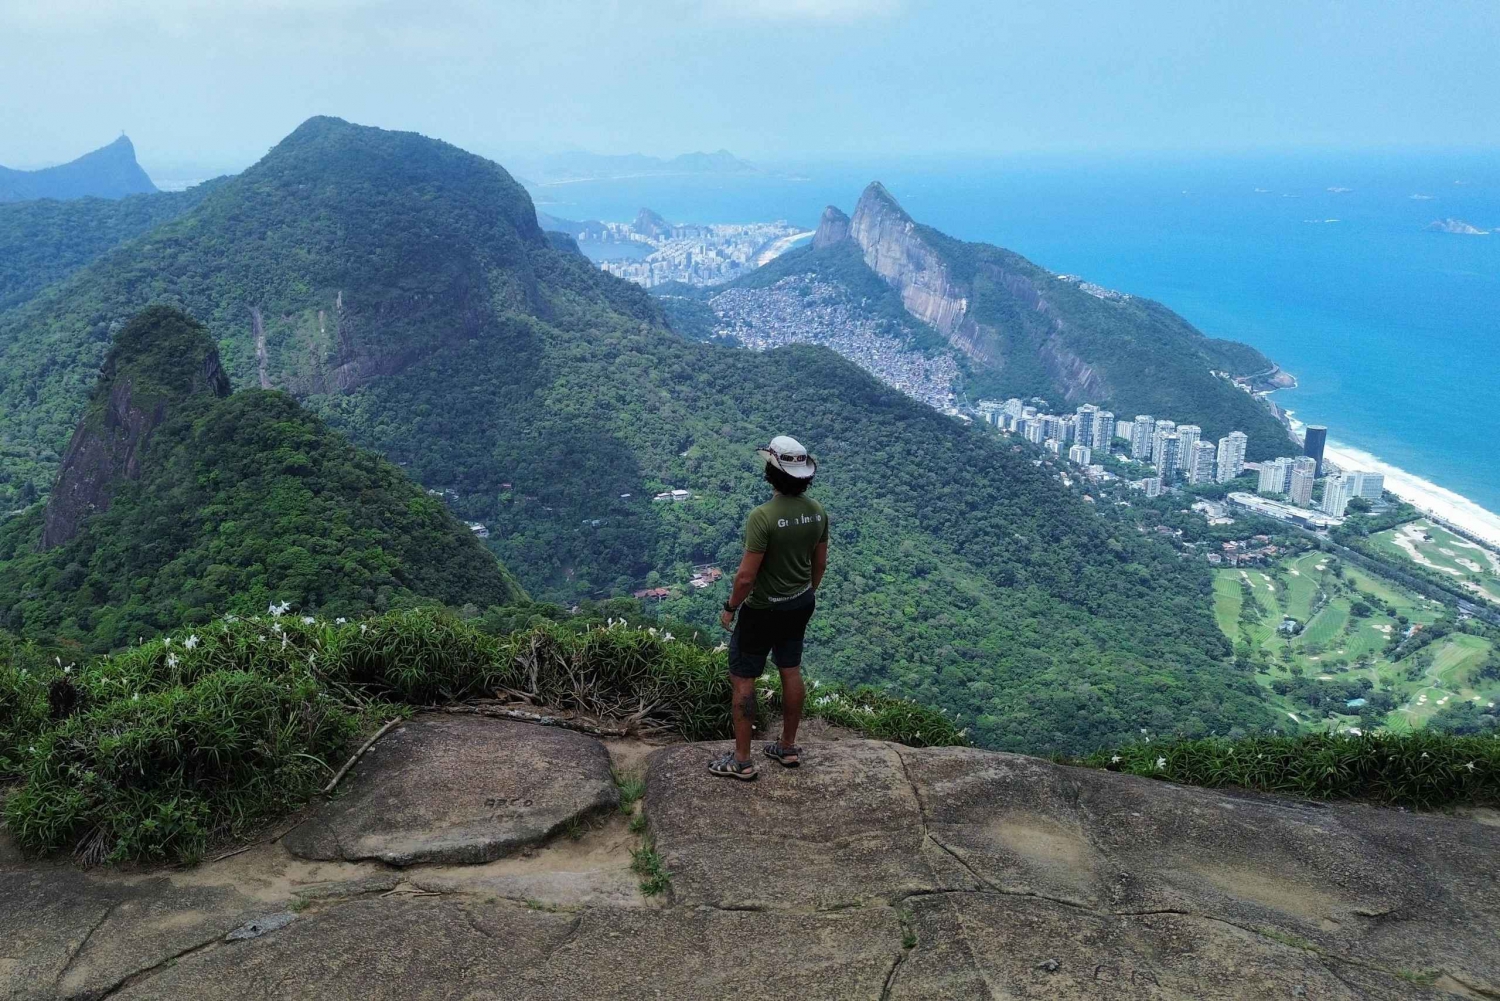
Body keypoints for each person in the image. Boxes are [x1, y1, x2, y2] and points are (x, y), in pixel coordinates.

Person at [709, 435, 828, 781]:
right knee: (790, 669)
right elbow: (819, 566)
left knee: (744, 677)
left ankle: (743, 760)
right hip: (800, 603)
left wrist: (730, 607)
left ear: (771, 474)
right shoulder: (817, 512)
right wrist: (802, 594)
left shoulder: (762, 517)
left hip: (762, 610)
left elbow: (746, 576)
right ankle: (787, 747)